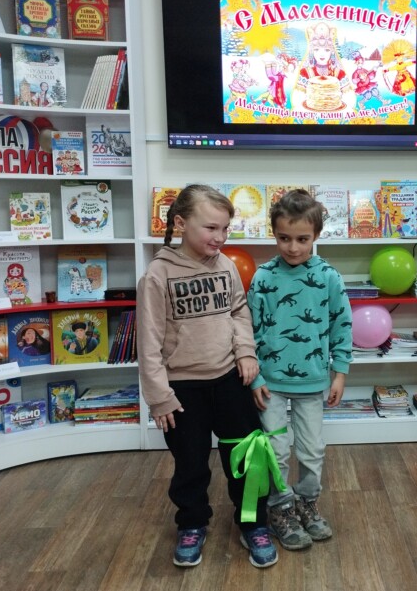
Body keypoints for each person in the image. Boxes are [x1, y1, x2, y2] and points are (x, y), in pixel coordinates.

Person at [136, 184, 277, 569]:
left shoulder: (226, 265)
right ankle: (192, 523)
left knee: (248, 456)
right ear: (181, 223)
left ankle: (253, 523)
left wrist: (246, 353)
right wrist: (159, 397)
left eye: (225, 229)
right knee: (191, 463)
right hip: (182, 390)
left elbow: (238, 312)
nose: (220, 237)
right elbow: (148, 342)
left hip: (230, 380)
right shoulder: (158, 275)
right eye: (211, 228)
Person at [246, 189, 352, 552]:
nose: (293, 248)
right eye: (284, 238)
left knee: (311, 450)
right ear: (274, 234)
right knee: (276, 451)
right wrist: (256, 378)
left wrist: (340, 372)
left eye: (303, 239)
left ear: (317, 235)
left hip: (312, 382)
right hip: (269, 384)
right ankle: (281, 508)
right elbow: (249, 330)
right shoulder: (263, 277)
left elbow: (341, 325)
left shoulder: (329, 277)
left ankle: (307, 503)